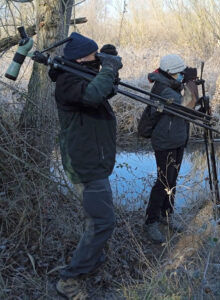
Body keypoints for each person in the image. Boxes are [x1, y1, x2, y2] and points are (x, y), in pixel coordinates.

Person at [49, 32, 122, 299]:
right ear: (81, 58)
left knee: (99, 220)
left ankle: (92, 259)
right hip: (85, 165)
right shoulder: (68, 81)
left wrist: (109, 69)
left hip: (94, 161)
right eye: (94, 56)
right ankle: (70, 279)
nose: (97, 60)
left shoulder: (80, 75)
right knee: (103, 222)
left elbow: (106, 90)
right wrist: (109, 68)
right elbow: (93, 95)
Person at [144, 54, 198, 243]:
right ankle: (151, 221)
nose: (182, 75)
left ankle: (166, 215)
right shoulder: (163, 89)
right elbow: (188, 104)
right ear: (171, 73)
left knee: (172, 179)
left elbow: (188, 107)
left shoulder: (171, 85)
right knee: (163, 181)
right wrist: (191, 82)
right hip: (165, 141)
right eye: (180, 73)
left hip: (176, 139)